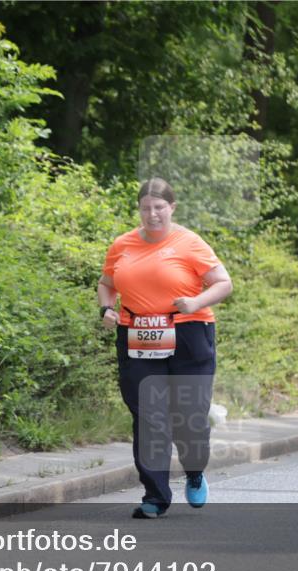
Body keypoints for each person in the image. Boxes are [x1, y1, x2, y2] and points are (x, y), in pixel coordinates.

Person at [98, 178, 233, 518]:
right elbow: (106, 283)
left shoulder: (190, 243)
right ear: (139, 210)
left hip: (189, 332)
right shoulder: (122, 244)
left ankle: (194, 470)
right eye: (146, 208)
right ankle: (155, 496)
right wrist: (107, 309)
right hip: (136, 333)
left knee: (189, 416)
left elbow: (223, 283)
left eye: (159, 208)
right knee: (148, 415)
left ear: (172, 208)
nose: (153, 214)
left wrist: (195, 301)